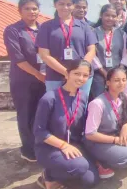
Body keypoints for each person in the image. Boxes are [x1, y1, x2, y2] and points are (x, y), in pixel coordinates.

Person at [33, 60, 99, 188]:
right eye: (77, 73)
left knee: (91, 180)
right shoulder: (49, 98)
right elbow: (39, 132)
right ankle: (49, 175)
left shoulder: (83, 97)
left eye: (85, 75)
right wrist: (63, 145)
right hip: (49, 147)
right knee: (80, 167)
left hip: (73, 145)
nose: (81, 78)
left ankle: (62, 174)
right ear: (67, 74)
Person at [84, 66, 127, 176]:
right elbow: (90, 134)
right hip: (99, 142)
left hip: (118, 135)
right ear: (108, 83)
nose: (121, 83)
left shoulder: (125, 97)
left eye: (124, 80)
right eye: (116, 80)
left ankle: (120, 155)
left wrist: (126, 127)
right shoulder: (98, 103)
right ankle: (100, 162)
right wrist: (115, 140)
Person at [3, 0, 47, 162]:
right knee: (26, 114)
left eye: (34, 8)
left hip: (43, 79)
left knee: (41, 114)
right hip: (23, 80)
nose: (31, 12)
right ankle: (28, 150)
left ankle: (41, 145)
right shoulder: (13, 30)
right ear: (20, 11)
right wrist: (37, 74)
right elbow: (18, 58)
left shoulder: (43, 29)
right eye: (27, 8)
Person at [36, 0, 97, 97]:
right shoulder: (46, 27)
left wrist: (80, 71)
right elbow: (44, 55)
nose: (65, 7)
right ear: (55, 5)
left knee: (80, 107)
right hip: (55, 76)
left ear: (73, 6)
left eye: (69, 4)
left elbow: (91, 50)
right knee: (55, 107)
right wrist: (66, 72)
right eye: (61, 4)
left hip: (81, 77)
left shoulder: (84, 26)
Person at [91, 4, 127, 99]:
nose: (110, 18)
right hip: (99, 75)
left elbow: (126, 53)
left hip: (118, 74)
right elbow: (92, 54)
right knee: (99, 100)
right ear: (101, 15)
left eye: (113, 16)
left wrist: (120, 69)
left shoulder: (121, 33)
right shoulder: (93, 32)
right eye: (107, 15)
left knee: (118, 99)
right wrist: (103, 71)